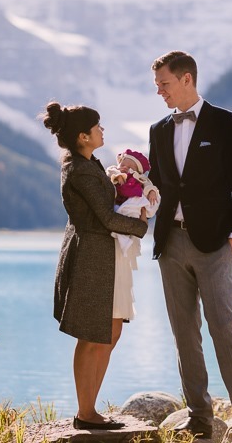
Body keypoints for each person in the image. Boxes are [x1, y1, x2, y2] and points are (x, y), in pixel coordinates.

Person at [148, 51, 232, 443]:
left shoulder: (226, 122)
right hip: (171, 242)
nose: (160, 93)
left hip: (215, 244)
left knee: (224, 328)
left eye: (164, 84)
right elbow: (161, 184)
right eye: (156, 86)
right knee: (184, 333)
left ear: (187, 79)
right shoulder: (158, 130)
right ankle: (200, 417)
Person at [42, 101, 148, 431]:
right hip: (90, 256)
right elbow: (104, 217)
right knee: (91, 335)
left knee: (111, 331)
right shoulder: (79, 170)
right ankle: (85, 412)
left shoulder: (88, 162)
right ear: (83, 136)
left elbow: (106, 206)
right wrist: (142, 225)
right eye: (98, 127)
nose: (103, 131)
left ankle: (90, 409)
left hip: (104, 254)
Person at [106, 149, 160, 320]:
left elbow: (150, 185)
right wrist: (117, 175)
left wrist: (151, 192)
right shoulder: (114, 171)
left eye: (130, 166)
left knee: (138, 206)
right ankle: (123, 233)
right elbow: (110, 173)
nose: (125, 168)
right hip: (118, 207)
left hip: (132, 206)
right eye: (123, 164)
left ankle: (127, 235)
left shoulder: (139, 179)